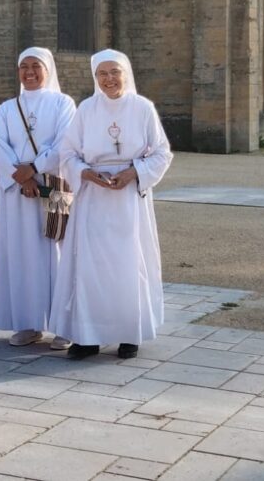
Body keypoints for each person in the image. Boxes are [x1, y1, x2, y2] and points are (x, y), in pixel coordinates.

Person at [48, 49, 173, 360]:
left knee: (128, 265)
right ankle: (88, 336)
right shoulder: (86, 110)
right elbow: (67, 153)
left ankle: (128, 334)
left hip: (129, 200)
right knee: (90, 268)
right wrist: (86, 173)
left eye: (114, 72)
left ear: (125, 73)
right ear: (95, 78)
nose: (109, 79)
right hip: (93, 199)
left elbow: (161, 153)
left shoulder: (143, 108)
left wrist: (134, 172)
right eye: (102, 74)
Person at [0, 48, 77, 349]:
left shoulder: (62, 103)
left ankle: (63, 326)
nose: (29, 72)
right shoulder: (6, 108)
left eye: (36, 66)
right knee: (20, 255)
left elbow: (66, 142)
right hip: (18, 192)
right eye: (23, 66)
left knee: (57, 252)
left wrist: (36, 169)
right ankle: (27, 323)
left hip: (53, 186)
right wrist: (23, 177)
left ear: (48, 69)